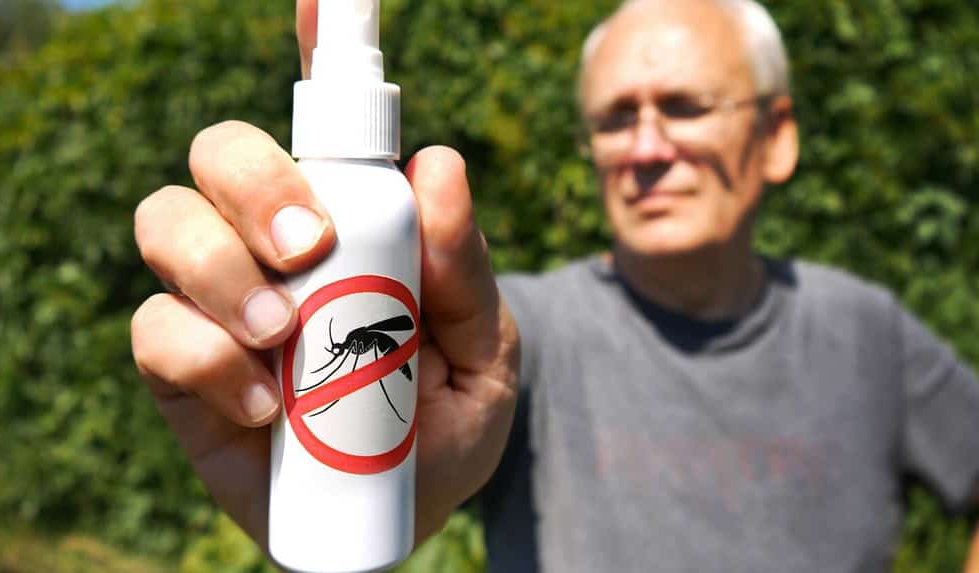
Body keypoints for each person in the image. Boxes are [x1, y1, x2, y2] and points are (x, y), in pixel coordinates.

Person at [130, 0, 979, 571]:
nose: (646, 147)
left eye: (684, 106)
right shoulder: (506, 339)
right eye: (614, 117)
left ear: (779, 135)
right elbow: (392, 455)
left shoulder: (869, 329)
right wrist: (318, 486)